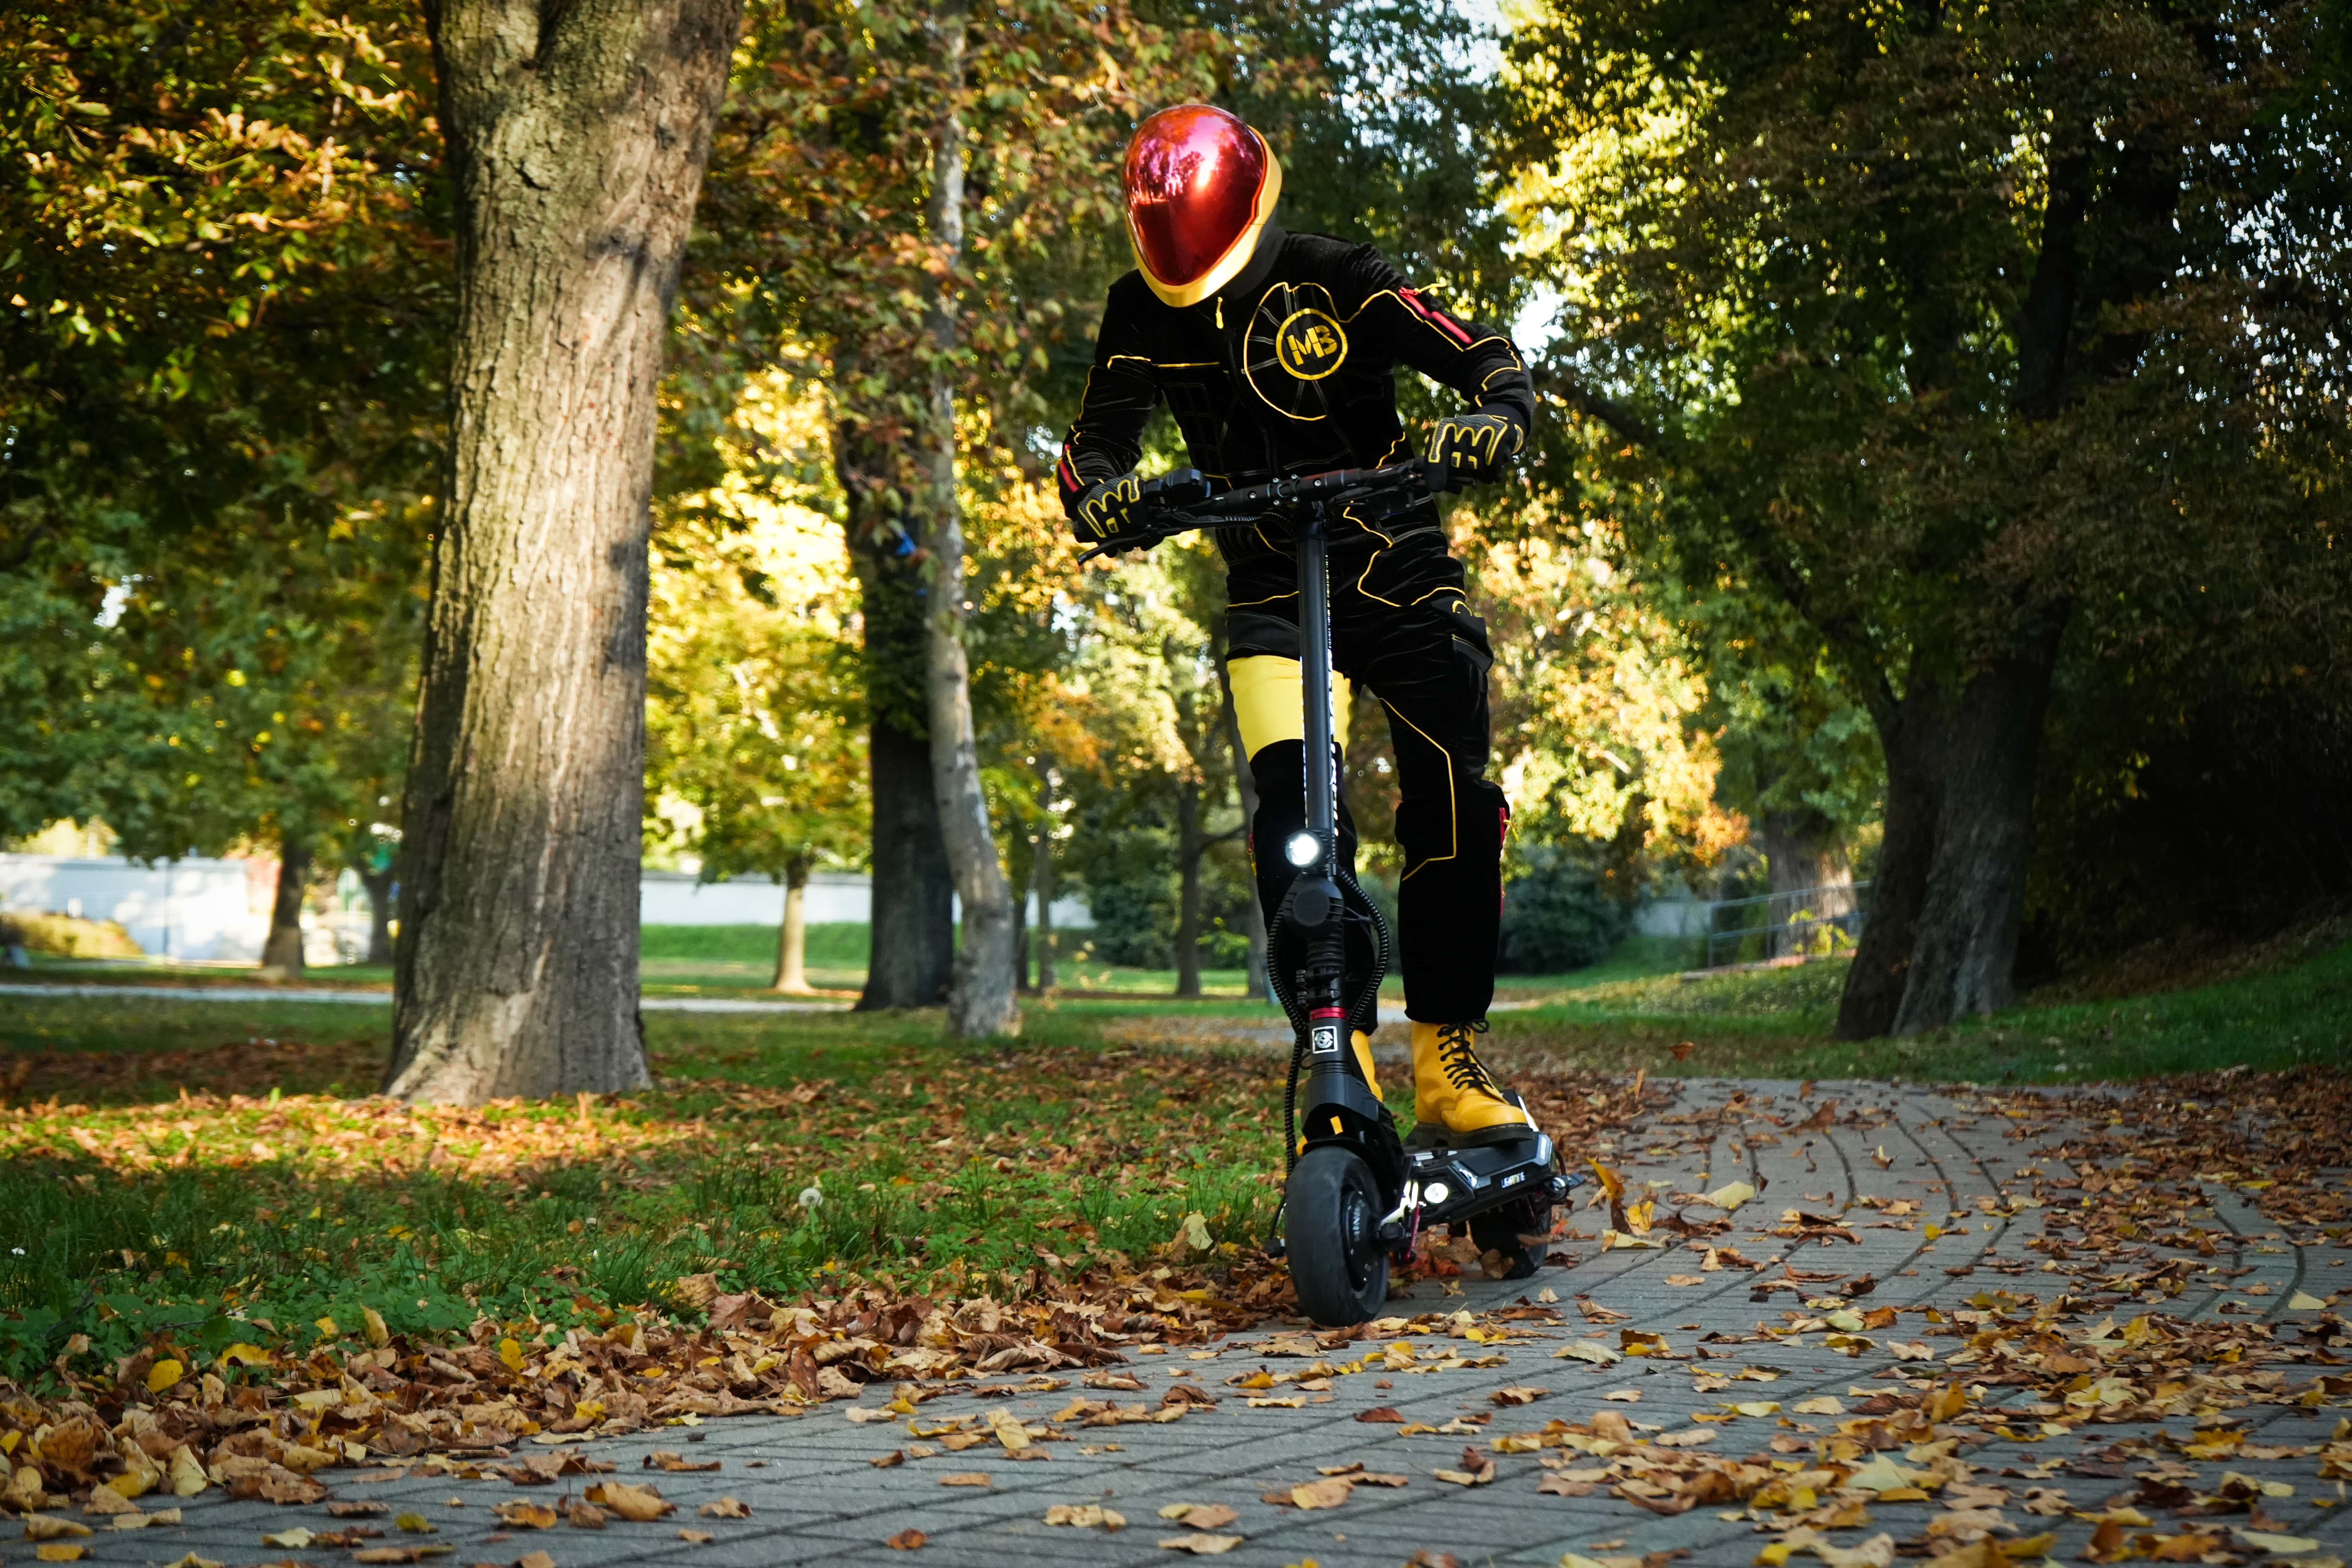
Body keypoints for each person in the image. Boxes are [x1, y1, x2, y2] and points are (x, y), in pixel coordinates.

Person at [1058, 103, 1536, 1146]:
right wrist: (1102, 495)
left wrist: (1496, 417)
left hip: (1401, 574)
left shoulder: (1337, 274)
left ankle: (1447, 1059)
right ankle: (1342, 1052)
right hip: (1273, 590)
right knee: (1294, 815)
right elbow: (1092, 444)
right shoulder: (1140, 312)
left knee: (1451, 801)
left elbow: (1482, 356)